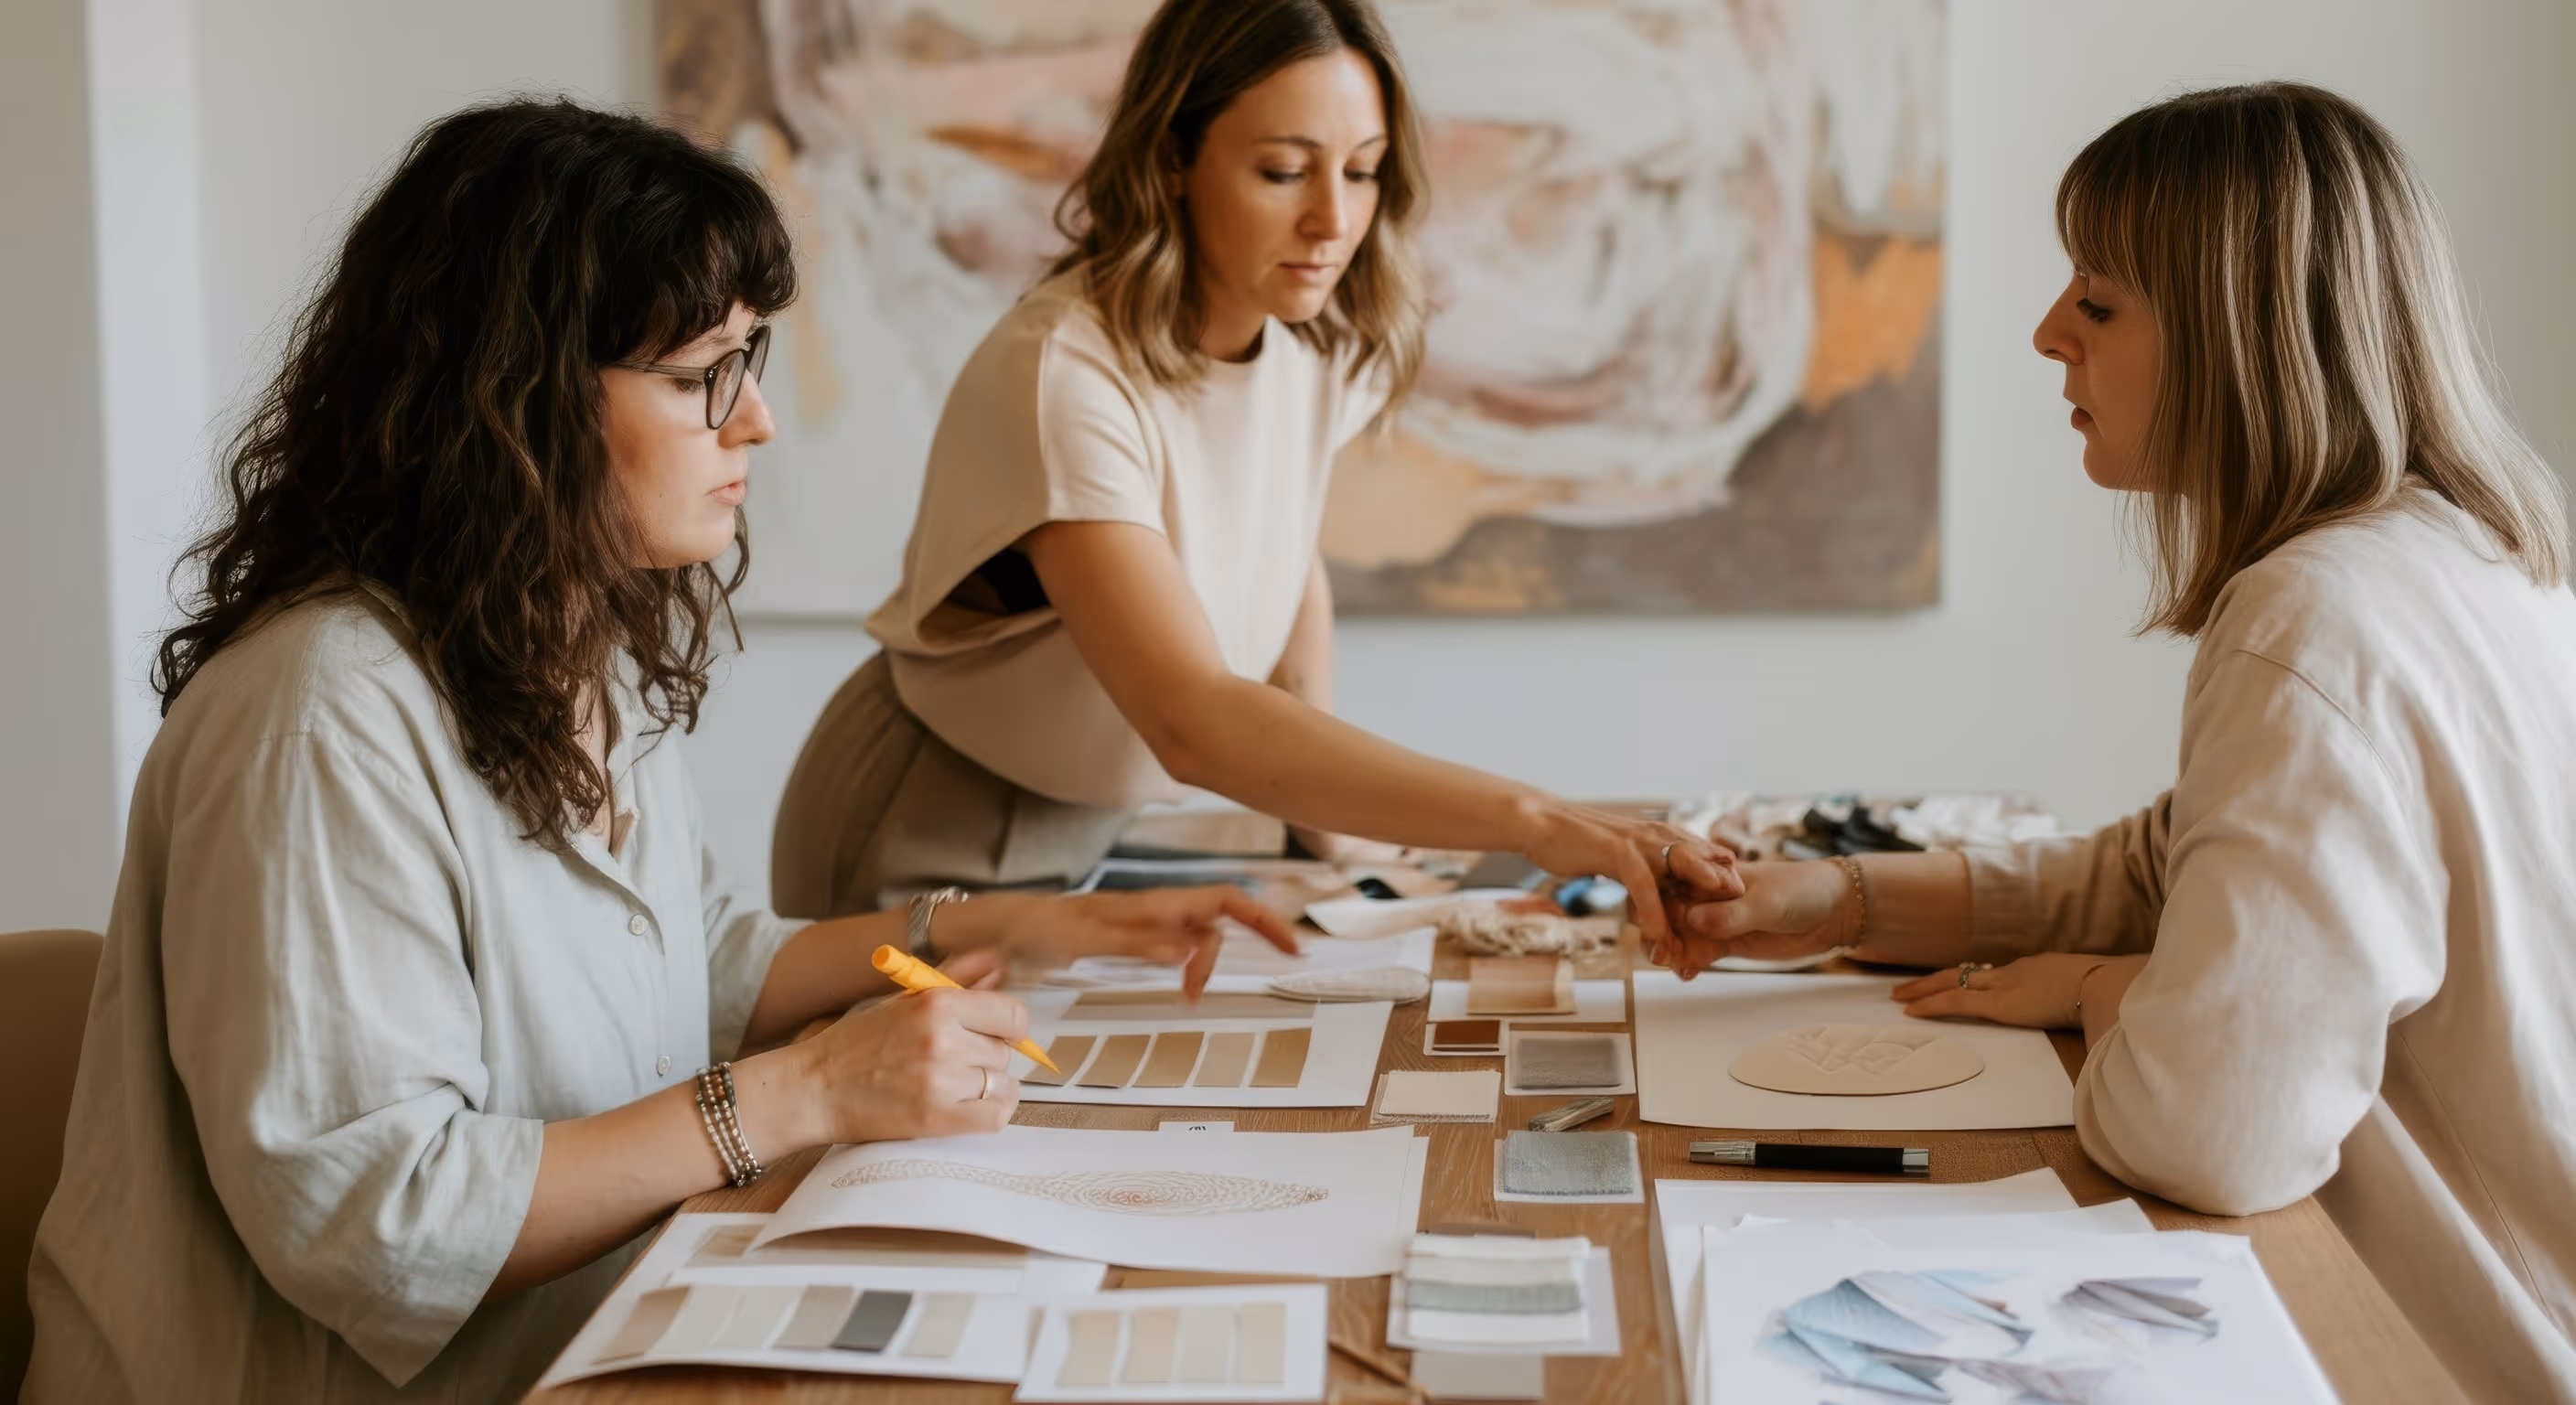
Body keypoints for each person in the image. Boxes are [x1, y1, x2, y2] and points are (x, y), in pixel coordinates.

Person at [23, 100, 1292, 1404]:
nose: (756, 426)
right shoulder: (319, 717)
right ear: (512, 397)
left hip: (598, 1341)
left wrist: (998, 927)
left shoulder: (569, 647)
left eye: (751, 364)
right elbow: (379, 1218)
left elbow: (705, 958)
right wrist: (802, 1095)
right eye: (704, 378)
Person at [1668, 83, 2576, 1403]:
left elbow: (2211, 1135)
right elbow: (2168, 870)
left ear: (2231, 337)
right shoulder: (2482, 555)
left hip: (2448, 1356)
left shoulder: (2312, 619)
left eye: (2097, 303)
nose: (2048, 335)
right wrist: (1840, 900)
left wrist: (2097, 993)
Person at [768, 0, 1738, 937]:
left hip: (1095, 821)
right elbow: (1194, 720)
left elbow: (1280, 548)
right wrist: (1537, 822)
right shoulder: (1063, 374)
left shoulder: (1307, 341)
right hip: (928, 823)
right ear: (1172, 160)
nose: (1332, 219)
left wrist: (1324, 821)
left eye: (1361, 172)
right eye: (1282, 171)